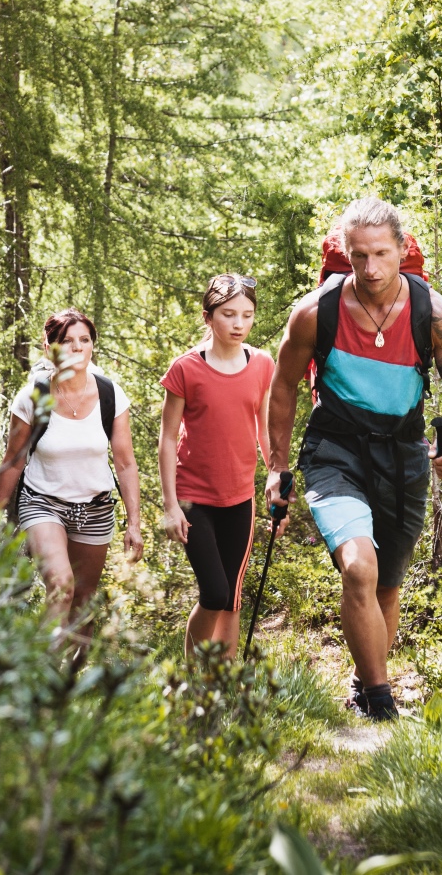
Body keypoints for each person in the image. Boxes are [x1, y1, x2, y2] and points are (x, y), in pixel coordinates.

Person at [266, 198, 442, 721]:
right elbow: (282, 388)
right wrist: (276, 465)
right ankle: (381, 705)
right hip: (333, 448)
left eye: (381, 254)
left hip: (404, 452)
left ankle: (365, 683)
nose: (369, 268)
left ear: (402, 250)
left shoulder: (436, 314)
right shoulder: (317, 313)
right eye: (358, 255)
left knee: (386, 581)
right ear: (345, 252)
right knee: (358, 567)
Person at [0, 309, 145, 646]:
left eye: (85, 340)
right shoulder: (33, 398)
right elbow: (13, 464)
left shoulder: (111, 395)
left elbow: (125, 463)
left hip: (95, 509)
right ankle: (42, 676)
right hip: (43, 503)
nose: (77, 348)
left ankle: (74, 683)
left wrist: (134, 522)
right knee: (61, 585)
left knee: (84, 599)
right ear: (49, 348)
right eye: (67, 341)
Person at [159, 274, 277, 659]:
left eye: (247, 315)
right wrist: (171, 505)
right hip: (194, 500)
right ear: (208, 318)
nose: (239, 324)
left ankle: (223, 681)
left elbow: (263, 428)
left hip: (240, 497)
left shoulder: (262, 364)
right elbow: (166, 438)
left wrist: (275, 474)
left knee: (231, 598)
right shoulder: (186, 369)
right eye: (228, 315)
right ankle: (192, 678)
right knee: (214, 592)